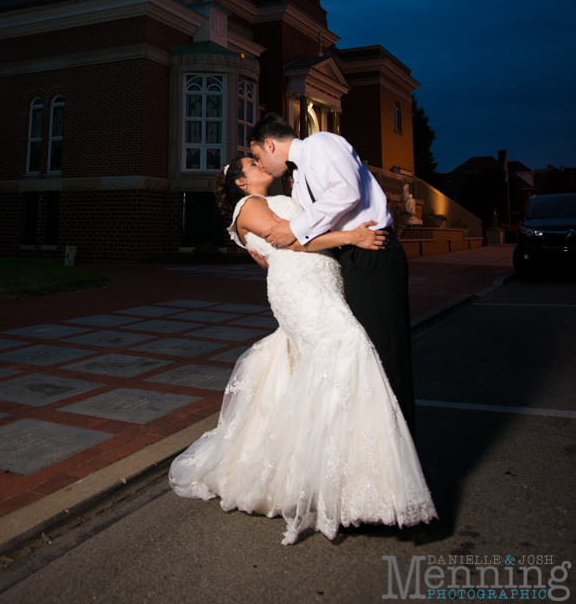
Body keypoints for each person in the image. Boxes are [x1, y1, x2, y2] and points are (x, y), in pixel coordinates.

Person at [168, 155, 437, 546]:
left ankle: (343, 480)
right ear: (241, 183)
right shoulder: (249, 207)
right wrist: (353, 237)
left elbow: (277, 246)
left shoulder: (267, 199)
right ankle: (347, 487)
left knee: (328, 370)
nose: (258, 163)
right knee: (351, 351)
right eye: (250, 164)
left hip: (320, 281)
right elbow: (287, 237)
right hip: (302, 292)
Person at [248, 113, 416, 435]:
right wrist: (278, 249)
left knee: (388, 356)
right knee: (365, 359)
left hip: (374, 254)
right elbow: (310, 233)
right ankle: (374, 443)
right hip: (349, 260)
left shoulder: (321, 144)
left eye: (258, 157)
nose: (262, 165)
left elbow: (347, 191)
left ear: (270, 144)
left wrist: (294, 229)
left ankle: (402, 451)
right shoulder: (297, 186)